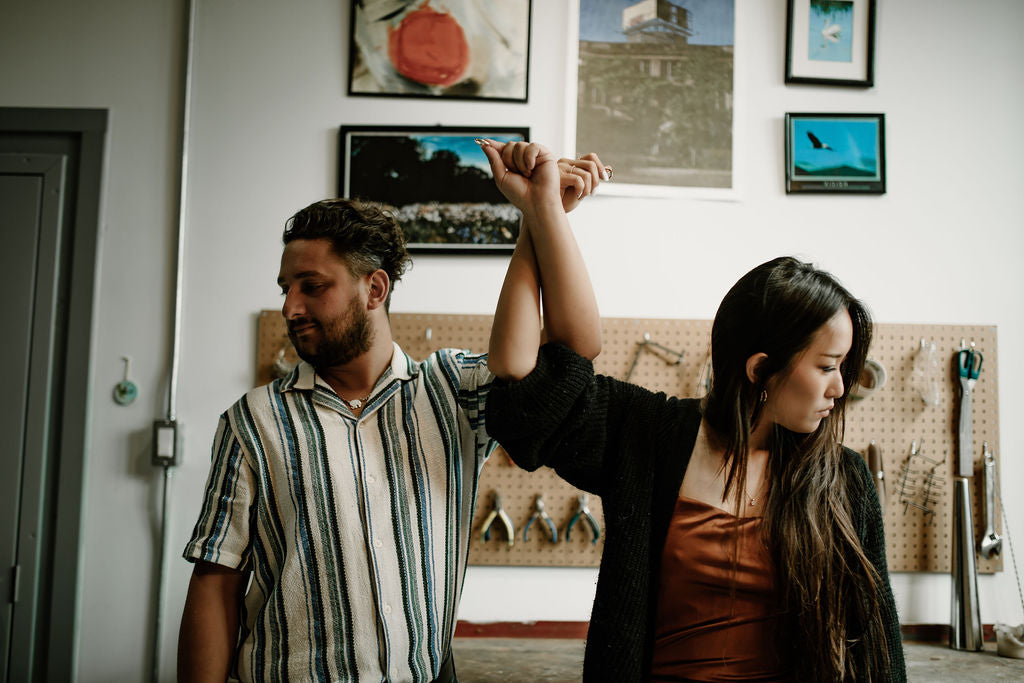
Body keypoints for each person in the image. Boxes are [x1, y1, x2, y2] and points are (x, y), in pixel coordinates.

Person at [480, 140, 907, 681]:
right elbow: (530, 375)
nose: (841, 388)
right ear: (760, 371)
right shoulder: (650, 435)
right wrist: (539, 214)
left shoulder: (844, 479)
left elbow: (879, 652)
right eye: (827, 366)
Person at [178, 175, 601, 680]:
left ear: (374, 288)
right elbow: (215, 581)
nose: (290, 307)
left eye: (312, 287)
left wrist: (544, 212)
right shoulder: (253, 420)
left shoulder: (451, 391)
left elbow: (574, 348)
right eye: (286, 289)